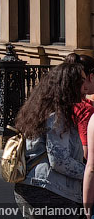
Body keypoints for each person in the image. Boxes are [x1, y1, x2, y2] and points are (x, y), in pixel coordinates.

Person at [19, 58, 92, 211]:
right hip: (49, 190)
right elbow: (59, 161)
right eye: (82, 82)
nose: (86, 87)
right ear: (69, 85)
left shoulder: (42, 110)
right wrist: (89, 174)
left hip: (33, 187)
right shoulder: (57, 117)